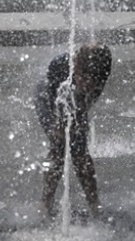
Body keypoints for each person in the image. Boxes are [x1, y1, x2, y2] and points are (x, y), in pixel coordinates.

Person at [34, 42, 113, 220]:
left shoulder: (102, 68)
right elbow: (49, 99)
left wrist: (81, 117)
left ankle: (94, 203)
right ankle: (46, 201)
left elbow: (90, 97)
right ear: (76, 64)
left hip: (74, 99)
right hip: (47, 98)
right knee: (58, 146)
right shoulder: (59, 64)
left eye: (93, 80)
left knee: (80, 151)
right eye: (84, 78)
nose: (88, 83)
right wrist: (56, 125)